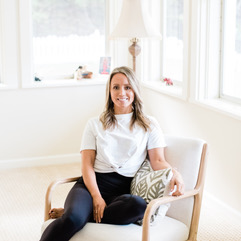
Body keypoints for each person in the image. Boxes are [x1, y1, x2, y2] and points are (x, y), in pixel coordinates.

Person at [40, 66, 184, 241]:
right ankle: (77, 213)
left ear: (135, 91)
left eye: (127, 87)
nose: (121, 92)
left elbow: (158, 161)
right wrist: (96, 196)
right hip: (91, 185)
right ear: (109, 91)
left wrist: (174, 173)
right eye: (116, 87)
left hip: (122, 191)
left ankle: (84, 213)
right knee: (72, 219)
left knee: (139, 206)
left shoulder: (149, 124)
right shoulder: (94, 124)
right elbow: (86, 165)